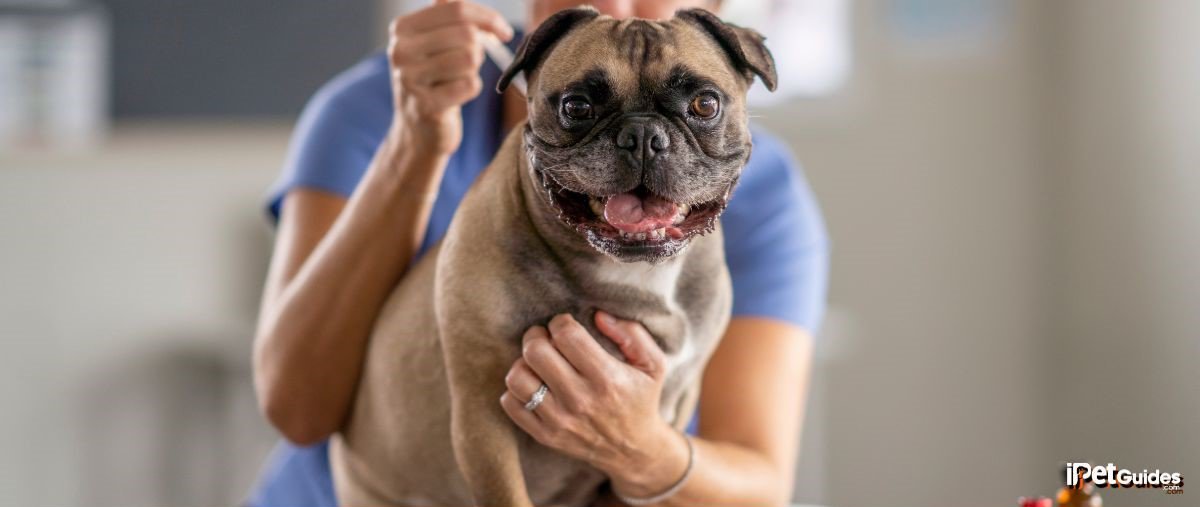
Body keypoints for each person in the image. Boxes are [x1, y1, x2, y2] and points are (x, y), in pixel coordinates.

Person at [247, 0, 828, 505]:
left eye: (700, 107)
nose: (620, 11)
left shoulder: (769, 194)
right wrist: (414, 143)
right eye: (581, 107)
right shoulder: (378, 105)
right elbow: (298, 410)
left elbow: (761, 482)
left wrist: (641, 451)